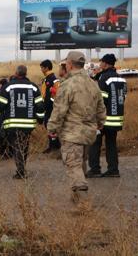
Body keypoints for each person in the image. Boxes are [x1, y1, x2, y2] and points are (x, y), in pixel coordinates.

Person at [47, 51, 106, 204]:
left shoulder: (68, 84)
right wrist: (101, 122)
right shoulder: (93, 83)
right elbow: (101, 107)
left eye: (66, 63)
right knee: (80, 163)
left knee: (73, 165)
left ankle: (83, 200)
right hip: (89, 133)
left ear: (70, 64)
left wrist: (52, 127)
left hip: (72, 133)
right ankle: (76, 197)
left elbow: (59, 109)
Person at [0, 65, 45, 179]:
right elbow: (40, 106)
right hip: (28, 125)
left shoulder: (8, 87)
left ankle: (21, 171)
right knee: (23, 146)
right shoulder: (34, 87)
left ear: (16, 73)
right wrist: (40, 119)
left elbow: (0, 105)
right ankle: (21, 169)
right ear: (25, 74)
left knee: (17, 146)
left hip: (12, 124)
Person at [87, 54, 127, 178]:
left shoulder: (104, 78)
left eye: (101, 62)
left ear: (105, 63)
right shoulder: (121, 78)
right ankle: (113, 170)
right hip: (117, 118)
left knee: (94, 143)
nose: (100, 65)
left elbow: (101, 100)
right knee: (111, 144)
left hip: (104, 119)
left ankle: (94, 169)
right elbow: (122, 97)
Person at [40, 60, 61, 154]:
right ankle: (53, 145)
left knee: (50, 125)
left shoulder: (53, 79)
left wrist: (51, 103)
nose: (41, 69)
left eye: (42, 67)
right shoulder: (47, 78)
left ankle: (55, 145)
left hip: (51, 107)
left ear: (46, 68)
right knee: (48, 125)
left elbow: (57, 93)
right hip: (47, 106)